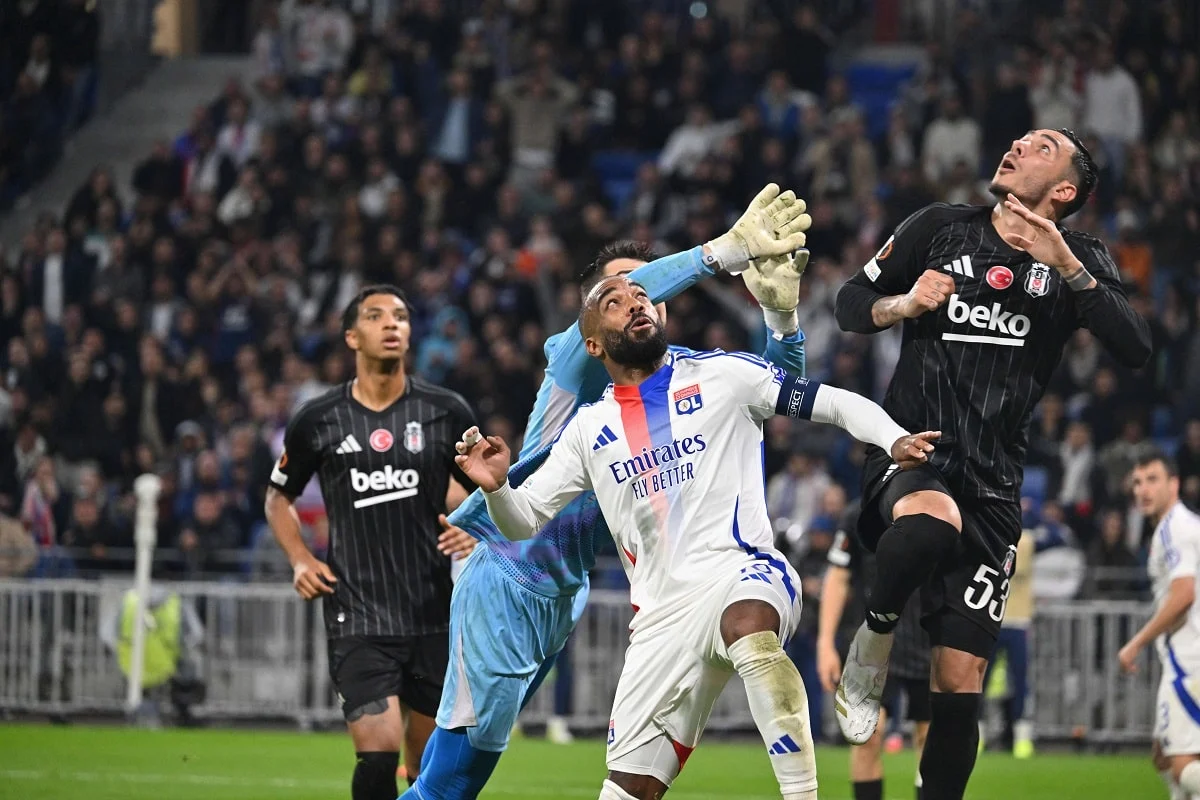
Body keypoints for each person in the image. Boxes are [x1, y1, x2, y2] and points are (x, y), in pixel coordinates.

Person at [455, 273, 940, 800]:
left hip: (743, 570)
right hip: (660, 620)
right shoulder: (586, 431)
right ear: (592, 343)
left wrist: (893, 438)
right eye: (614, 303)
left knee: (750, 631)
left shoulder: (724, 374)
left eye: (642, 296)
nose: (636, 304)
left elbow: (835, 403)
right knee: (625, 791)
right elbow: (522, 521)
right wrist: (499, 487)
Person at [403, 184, 813, 800]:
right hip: (509, 579)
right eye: (617, 290)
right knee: (452, 780)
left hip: (560, 591)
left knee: (458, 768)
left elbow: (786, 393)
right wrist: (724, 250)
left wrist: (783, 319)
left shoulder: (691, 383)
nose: (636, 296)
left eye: (646, 287)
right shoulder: (573, 360)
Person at [832, 128, 1152, 800]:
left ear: (1064, 190)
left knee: (960, 683)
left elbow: (1136, 348)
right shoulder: (940, 227)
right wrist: (904, 305)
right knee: (930, 523)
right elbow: (849, 305)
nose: (1015, 144)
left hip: (996, 488)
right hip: (913, 451)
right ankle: (874, 641)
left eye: (1041, 146)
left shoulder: (1078, 260)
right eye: (1020, 138)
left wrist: (1068, 266)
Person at [264, 285, 477, 800]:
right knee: (378, 754)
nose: (391, 324)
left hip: (431, 612)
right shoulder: (319, 420)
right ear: (352, 336)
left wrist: (474, 525)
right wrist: (298, 558)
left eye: (401, 317)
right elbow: (277, 498)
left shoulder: (445, 412)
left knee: (427, 770)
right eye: (376, 316)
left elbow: (483, 491)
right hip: (357, 613)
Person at [817, 500, 930, 800]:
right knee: (866, 734)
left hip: (928, 635)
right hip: (871, 641)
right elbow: (838, 576)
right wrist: (825, 642)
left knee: (930, 738)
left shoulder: (937, 502)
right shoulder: (859, 513)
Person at [1118, 451, 1200, 800]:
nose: (1143, 490)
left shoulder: (1174, 529)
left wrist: (1136, 642)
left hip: (1190, 660)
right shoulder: (1180, 527)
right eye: (1137, 482)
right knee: (1167, 760)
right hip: (1183, 659)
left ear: (1174, 484)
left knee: (1182, 764)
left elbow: (1183, 595)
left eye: (1152, 479)